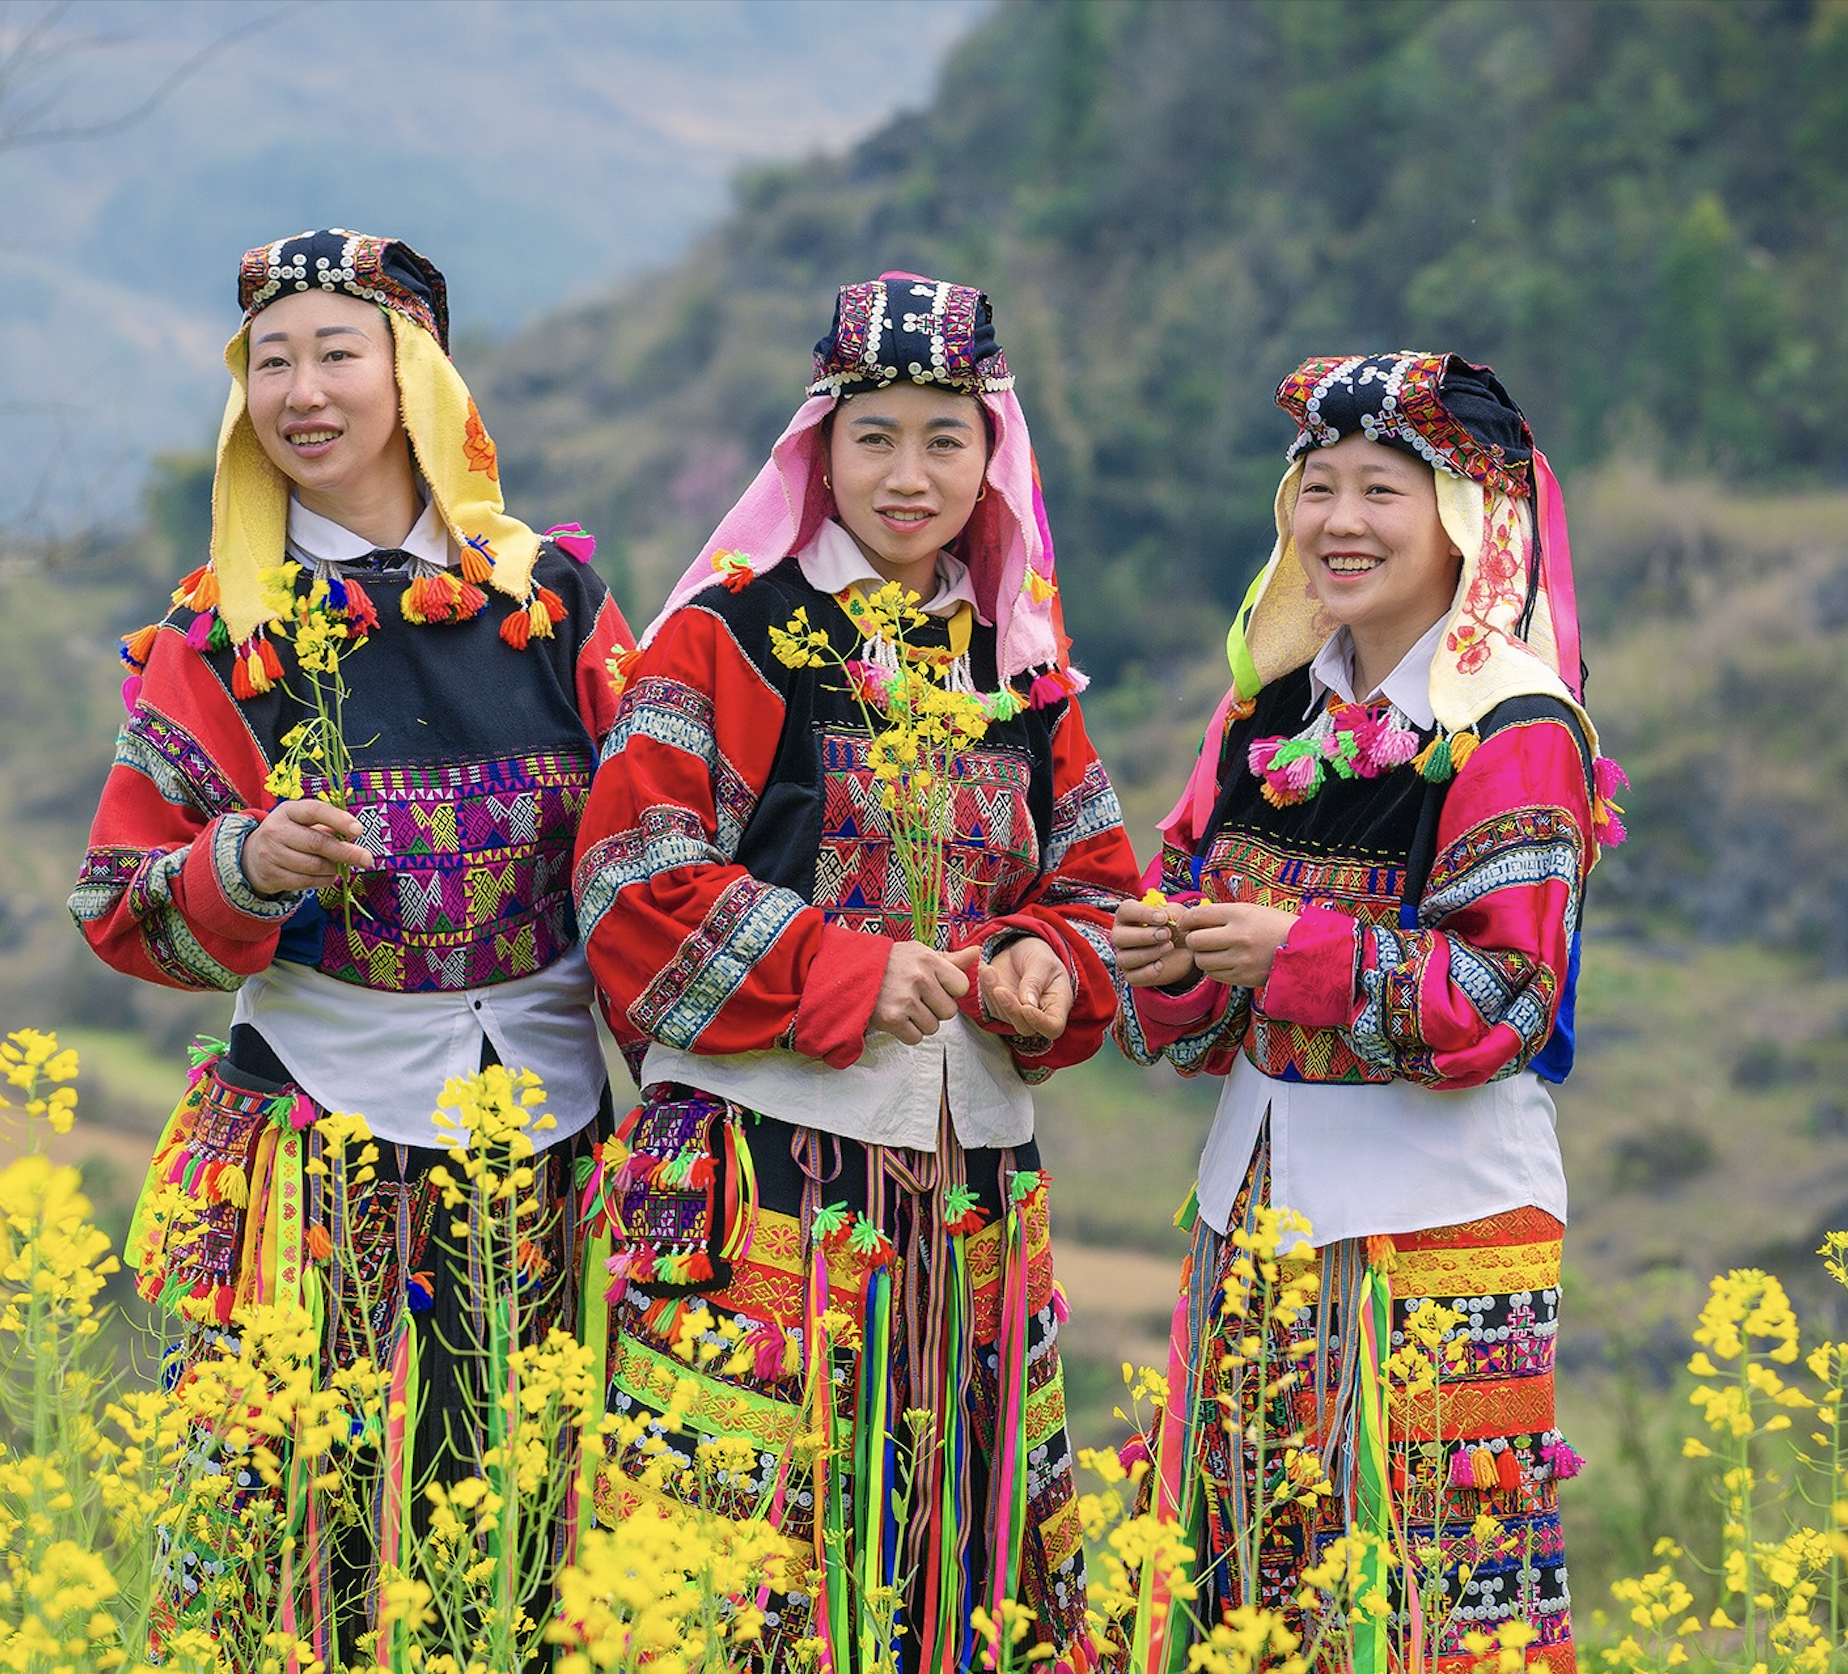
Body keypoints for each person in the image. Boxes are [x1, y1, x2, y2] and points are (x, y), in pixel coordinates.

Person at [69, 228, 636, 1660]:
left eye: (340, 352)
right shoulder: (219, 636)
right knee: (293, 1533)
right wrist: (246, 864)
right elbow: (117, 900)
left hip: (549, 1143)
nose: (303, 391)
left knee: (521, 1528)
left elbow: (656, 846)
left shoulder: (552, 599)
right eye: (272, 361)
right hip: (319, 1139)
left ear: (419, 376)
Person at [573, 273, 1140, 1670]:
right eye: (874, 435)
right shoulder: (724, 635)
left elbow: (1098, 890)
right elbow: (630, 875)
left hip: (971, 1198)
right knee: (738, 1579)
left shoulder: (1021, 670)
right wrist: (839, 969)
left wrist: (1040, 967)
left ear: (991, 456)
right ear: (818, 447)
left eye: (946, 439)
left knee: (966, 1572)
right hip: (758, 1177)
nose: (909, 473)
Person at [1109, 354, 1625, 1671]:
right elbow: (1194, 1004)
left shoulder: (1514, 727)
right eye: (1315, 486)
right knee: (1249, 1584)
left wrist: (1296, 954)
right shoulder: (1266, 714)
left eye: (1380, 489)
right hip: (1257, 1220)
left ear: (1460, 518)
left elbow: (1507, 998)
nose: (1339, 519)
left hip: (1438, 1229)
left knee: (1442, 1596)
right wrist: (1172, 961)